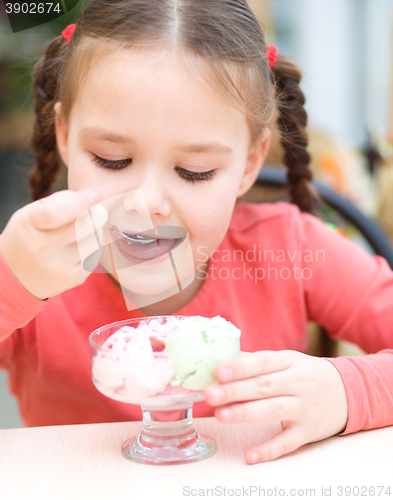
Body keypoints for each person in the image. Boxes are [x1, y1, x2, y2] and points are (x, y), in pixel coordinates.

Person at [0, 0, 393, 465]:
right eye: (112, 160)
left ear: (248, 163)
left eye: (194, 171)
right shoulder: (31, 267)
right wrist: (12, 283)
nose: (146, 202)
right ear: (65, 135)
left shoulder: (289, 248)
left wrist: (350, 392)